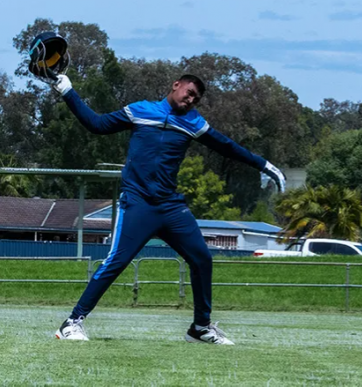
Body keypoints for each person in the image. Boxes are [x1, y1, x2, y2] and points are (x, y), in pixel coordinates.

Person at [52, 74, 286, 345]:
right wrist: (67, 91)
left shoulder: (194, 122)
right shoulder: (140, 110)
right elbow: (97, 124)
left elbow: (227, 147)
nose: (191, 99)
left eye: (196, 98)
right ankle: (71, 323)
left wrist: (264, 166)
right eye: (189, 92)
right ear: (176, 85)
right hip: (137, 204)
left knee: (202, 259)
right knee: (115, 262)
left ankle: (200, 328)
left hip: (170, 207)